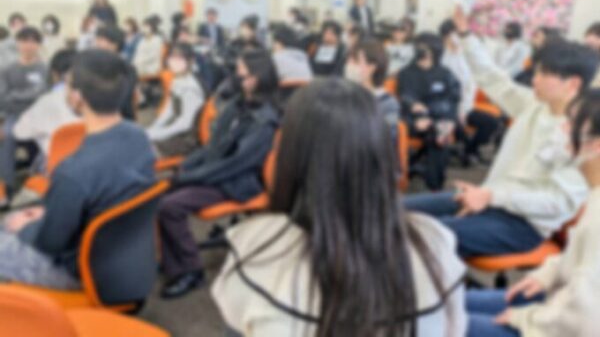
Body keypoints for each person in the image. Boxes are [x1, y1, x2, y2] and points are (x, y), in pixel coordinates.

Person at [212, 79, 467, 337]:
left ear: (290, 157)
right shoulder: (435, 244)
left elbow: (236, 317)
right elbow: (453, 329)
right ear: (381, 156)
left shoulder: (257, 250)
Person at [404, 7, 597, 258]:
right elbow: (492, 78)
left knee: (417, 236)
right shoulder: (534, 104)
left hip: (521, 225)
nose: (535, 79)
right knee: (395, 211)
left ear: (573, 84)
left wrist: (493, 196)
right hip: (487, 198)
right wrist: (466, 35)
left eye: (544, 74)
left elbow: (557, 202)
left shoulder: (584, 135)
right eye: (536, 71)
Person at [0, 49, 155, 292]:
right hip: (123, 257)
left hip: (79, 269)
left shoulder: (72, 171)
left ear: (77, 98)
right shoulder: (139, 137)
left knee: (10, 223)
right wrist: (45, 213)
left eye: (67, 83)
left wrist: (26, 227)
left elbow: (49, 243)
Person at [466, 89, 600, 337]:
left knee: (442, 323)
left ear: (596, 145)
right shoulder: (595, 193)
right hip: (562, 302)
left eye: (571, 124)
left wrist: (525, 318)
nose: (562, 129)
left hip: (568, 325)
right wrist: (547, 275)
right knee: (452, 304)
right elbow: (580, 260)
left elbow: (586, 316)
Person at [158, 49, 279, 299]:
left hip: (236, 182)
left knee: (170, 206)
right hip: (217, 172)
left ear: (255, 79)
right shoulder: (237, 105)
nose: (234, 77)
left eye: (240, 74)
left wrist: (191, 176)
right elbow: (212, 146)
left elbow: (234, 165)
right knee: (163, 192)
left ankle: (192, 270)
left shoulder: (264, 122)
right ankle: (176, 261)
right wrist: (187, 166)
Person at [398, 32, 461, 190]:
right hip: (415, 119)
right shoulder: (406, 73)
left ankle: (434, 185)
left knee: (440, 130)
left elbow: (453, 98)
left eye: (424, 47)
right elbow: (407, 98)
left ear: (434, 50)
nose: (420, 50)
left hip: (442, 117)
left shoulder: (445, 73)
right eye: (418, 46)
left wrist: (450, 120)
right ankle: (434, 185)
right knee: (437, 133)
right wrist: (420, 113)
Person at [0, 27, 47, 202]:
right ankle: (5, 186)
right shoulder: (7, 70)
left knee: (52, 137)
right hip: (15, 116)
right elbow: (2, 99)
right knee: (6, 135)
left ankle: (42, 183)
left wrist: (15, 95)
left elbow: (45, 94)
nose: (28, 45)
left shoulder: (45, 69)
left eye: (33, 41)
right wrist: (32, 93)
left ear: (39, 45)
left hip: (40, 116)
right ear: (17, 43)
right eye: (24, 41)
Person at [439, 19, 495, 166]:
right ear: (445, 38)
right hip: (446, 109)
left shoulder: (465, 57)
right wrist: (457, 111)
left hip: (466, 107)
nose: (456, 39)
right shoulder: (442, 59)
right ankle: (466, 154)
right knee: (456, 126)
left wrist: (463, 111)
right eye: (452, 36)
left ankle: (470, 150)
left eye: (458, 35)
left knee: (491, 123)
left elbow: (469, 87)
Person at [13, 49, 79, 157]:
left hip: (58, 161)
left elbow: (20, 132)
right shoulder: (94, 97)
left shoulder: (47, 100)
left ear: (54, 74)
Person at [147, 42, 205, 157]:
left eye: (179, 58)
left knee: (139, 152)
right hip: (174, 129)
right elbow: (168, 110)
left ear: (190, 61)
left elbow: (185, 123)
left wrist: (159, 134)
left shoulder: (191, 88)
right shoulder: (177, 79)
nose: (174, 61)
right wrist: (153, 128)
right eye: (172, 57)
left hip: (185, 138)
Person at [345, 39, 400, 143]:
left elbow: (389, 139)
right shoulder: (343, 96)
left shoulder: (389, 103)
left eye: (355, 62)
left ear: (372, 67)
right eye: (348, 61)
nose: (348, 66)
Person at [95, 25, 138, 121]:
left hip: (120, 119)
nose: (96, 43)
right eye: (97, 39)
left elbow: (121, 99)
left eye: (100, 40)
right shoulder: (96, 66)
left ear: (114, 44)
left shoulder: (126, 69)